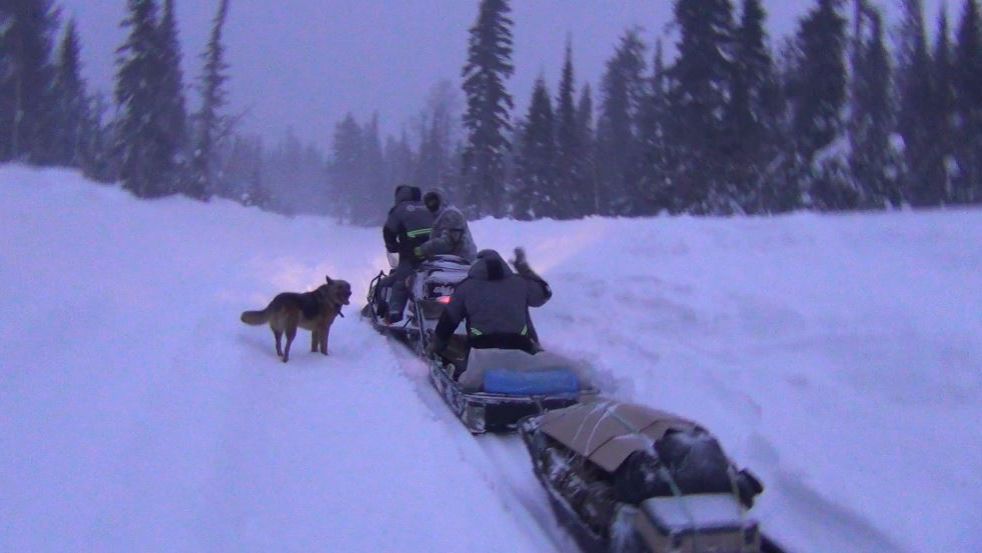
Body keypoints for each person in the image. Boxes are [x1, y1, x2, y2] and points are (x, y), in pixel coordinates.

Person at [429, 248, 550, 356]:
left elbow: (449, 320)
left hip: (481, 345)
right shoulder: (521, 283)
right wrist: (525, 270)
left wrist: (437, 347)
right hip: (519, 344)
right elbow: (544, 294)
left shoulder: (465, 287)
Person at [381, 184, 434, 323]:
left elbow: (389, 230)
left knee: (401, 282)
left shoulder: (399, 209)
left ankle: (394, 314)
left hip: (411, 254)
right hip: (435, 252)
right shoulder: (428, 207)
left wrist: (393, 246)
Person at [416, 190, 477, 262]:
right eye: (428, 203)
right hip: (452, 260)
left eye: (433, 201)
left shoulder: (451, 214)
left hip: (462, 261)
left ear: (440, 200)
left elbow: (448, 243)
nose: (431, 205)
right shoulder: (440, 215)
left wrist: (424, 249)